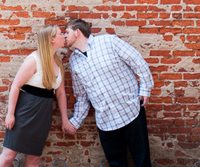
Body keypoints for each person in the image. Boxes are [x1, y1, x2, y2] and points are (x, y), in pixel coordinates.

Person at [63, 18, 154, 167]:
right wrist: (75, 122)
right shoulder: (74, 61)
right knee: (116, 164)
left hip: (130, 111)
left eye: (67, 32)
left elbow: (138, 62)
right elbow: (82, 96)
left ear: (77, 32)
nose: (64, 36)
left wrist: (145, 89)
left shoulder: (108, 42)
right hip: (106, 121)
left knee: (142, 161)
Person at [0, 24, 72, 167]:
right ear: (52, 39)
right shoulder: (33, 60)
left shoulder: (58, 63)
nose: (64, 36)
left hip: (43, 114)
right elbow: (16, 86)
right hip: (25, 111)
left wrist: (65, 119)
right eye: (61, 33)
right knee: (8, 156)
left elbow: (60, 93)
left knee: (33, 160)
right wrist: (10, 114)